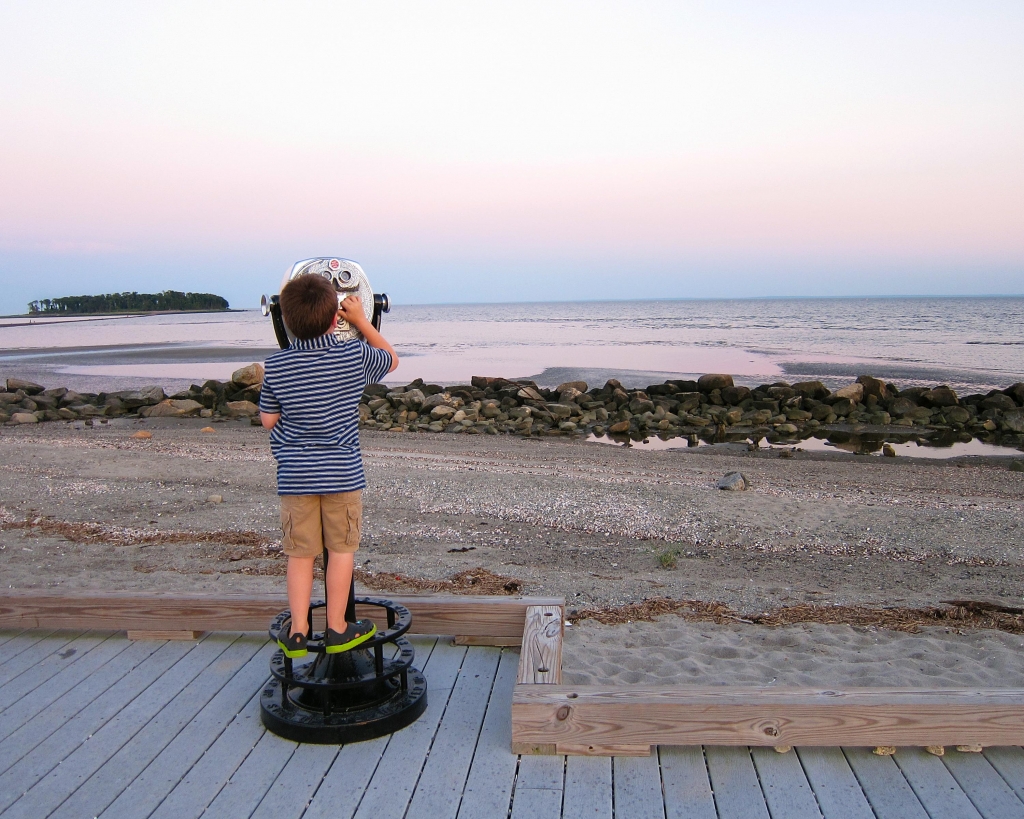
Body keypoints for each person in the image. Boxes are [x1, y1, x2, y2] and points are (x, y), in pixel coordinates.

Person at [258, 274, 398, 658]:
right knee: (341, 551)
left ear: (283, 319)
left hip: (295, 478)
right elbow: (391, 358)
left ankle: (299, 631)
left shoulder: (275, 367)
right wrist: (362, 321)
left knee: (300, 554)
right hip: (343, 474)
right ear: (335, 317)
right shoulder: (353, 356)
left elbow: (268, 420)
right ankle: (337, 627)